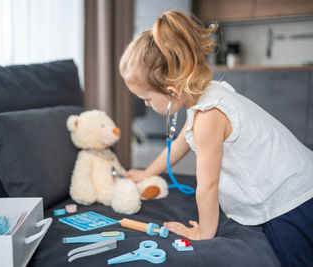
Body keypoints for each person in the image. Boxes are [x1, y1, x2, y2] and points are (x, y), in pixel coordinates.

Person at [119, 10, 313, 266]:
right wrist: (147, 173)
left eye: (147, 99)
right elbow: (180, 144)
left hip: (293, 201)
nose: (146, 103)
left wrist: (204, 233)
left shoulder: (208, 117)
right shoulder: (207, 96)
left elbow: (208, 186)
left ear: (171, 91)